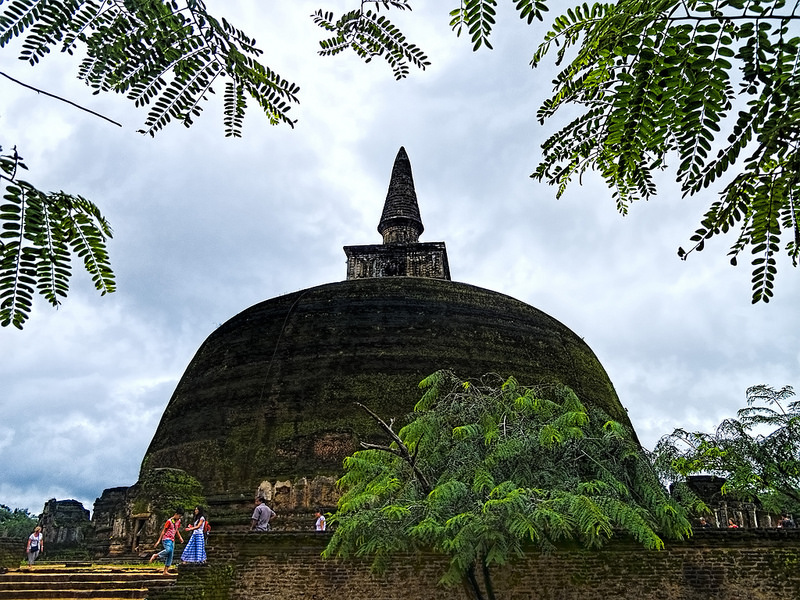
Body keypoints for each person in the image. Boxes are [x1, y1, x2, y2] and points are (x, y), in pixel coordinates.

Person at [150, 508, 184, 575]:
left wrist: (180, 537)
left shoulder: (178, 521)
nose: (179, 517)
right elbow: (163, 531)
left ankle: (165, 571)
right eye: (179, 516)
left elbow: (176, 530)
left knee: (170, 555)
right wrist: (158, 541)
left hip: (172, 539)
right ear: (176, 514)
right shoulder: (169, 521)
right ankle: (156, 555)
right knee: (168, 550)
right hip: (166, 538)